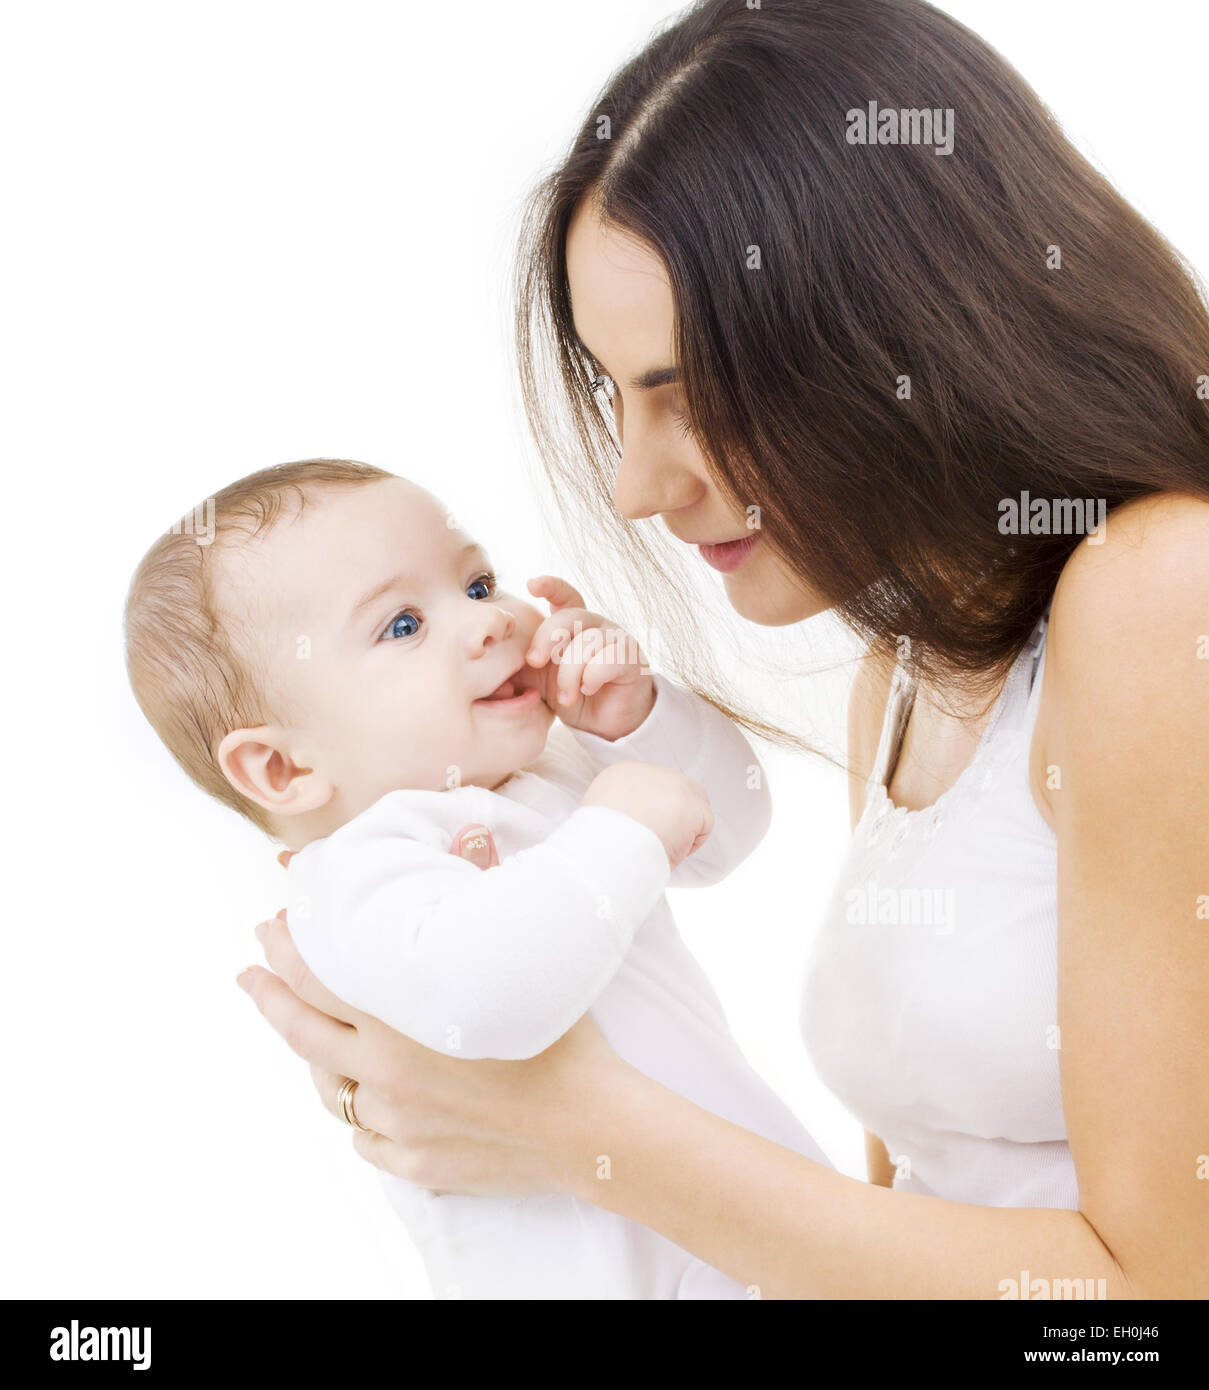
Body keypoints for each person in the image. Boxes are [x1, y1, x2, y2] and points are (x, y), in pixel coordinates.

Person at [238, 0, 1209, 1297]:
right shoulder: (906, 688)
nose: (638, 485)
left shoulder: (1159, 592)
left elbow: (1152, 1301)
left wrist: (572, 1129)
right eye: (613, 392)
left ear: (897, 336)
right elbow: (901, 1242)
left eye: (687, 388)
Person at [124, 459, 830, 1298]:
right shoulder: (353, 877)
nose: (488, 622)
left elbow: (723, 833)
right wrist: (627, 822)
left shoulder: (549, 777)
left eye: (478, 581)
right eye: (402, 625)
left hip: (773, 1246)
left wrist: (636, 718)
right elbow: (489, 999)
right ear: (282, 767)